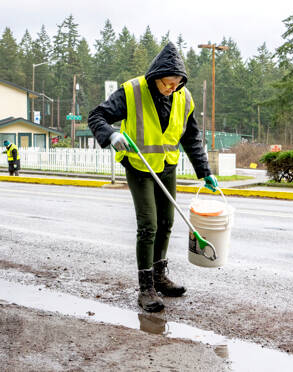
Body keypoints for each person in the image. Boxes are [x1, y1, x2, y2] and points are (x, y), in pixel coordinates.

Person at [88, 42, 218, 313]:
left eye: (176, 84)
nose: (171, 89)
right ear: (155, 77)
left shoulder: (184, 98)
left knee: (167, 222)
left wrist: (205, 172)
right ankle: (145, 287)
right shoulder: (132, 91)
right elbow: (97, 115)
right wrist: (111, 134)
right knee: (148, 225)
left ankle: (160, 276)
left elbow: (191, 138)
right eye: (167, 84)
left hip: (167, 166)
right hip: (139, 165)